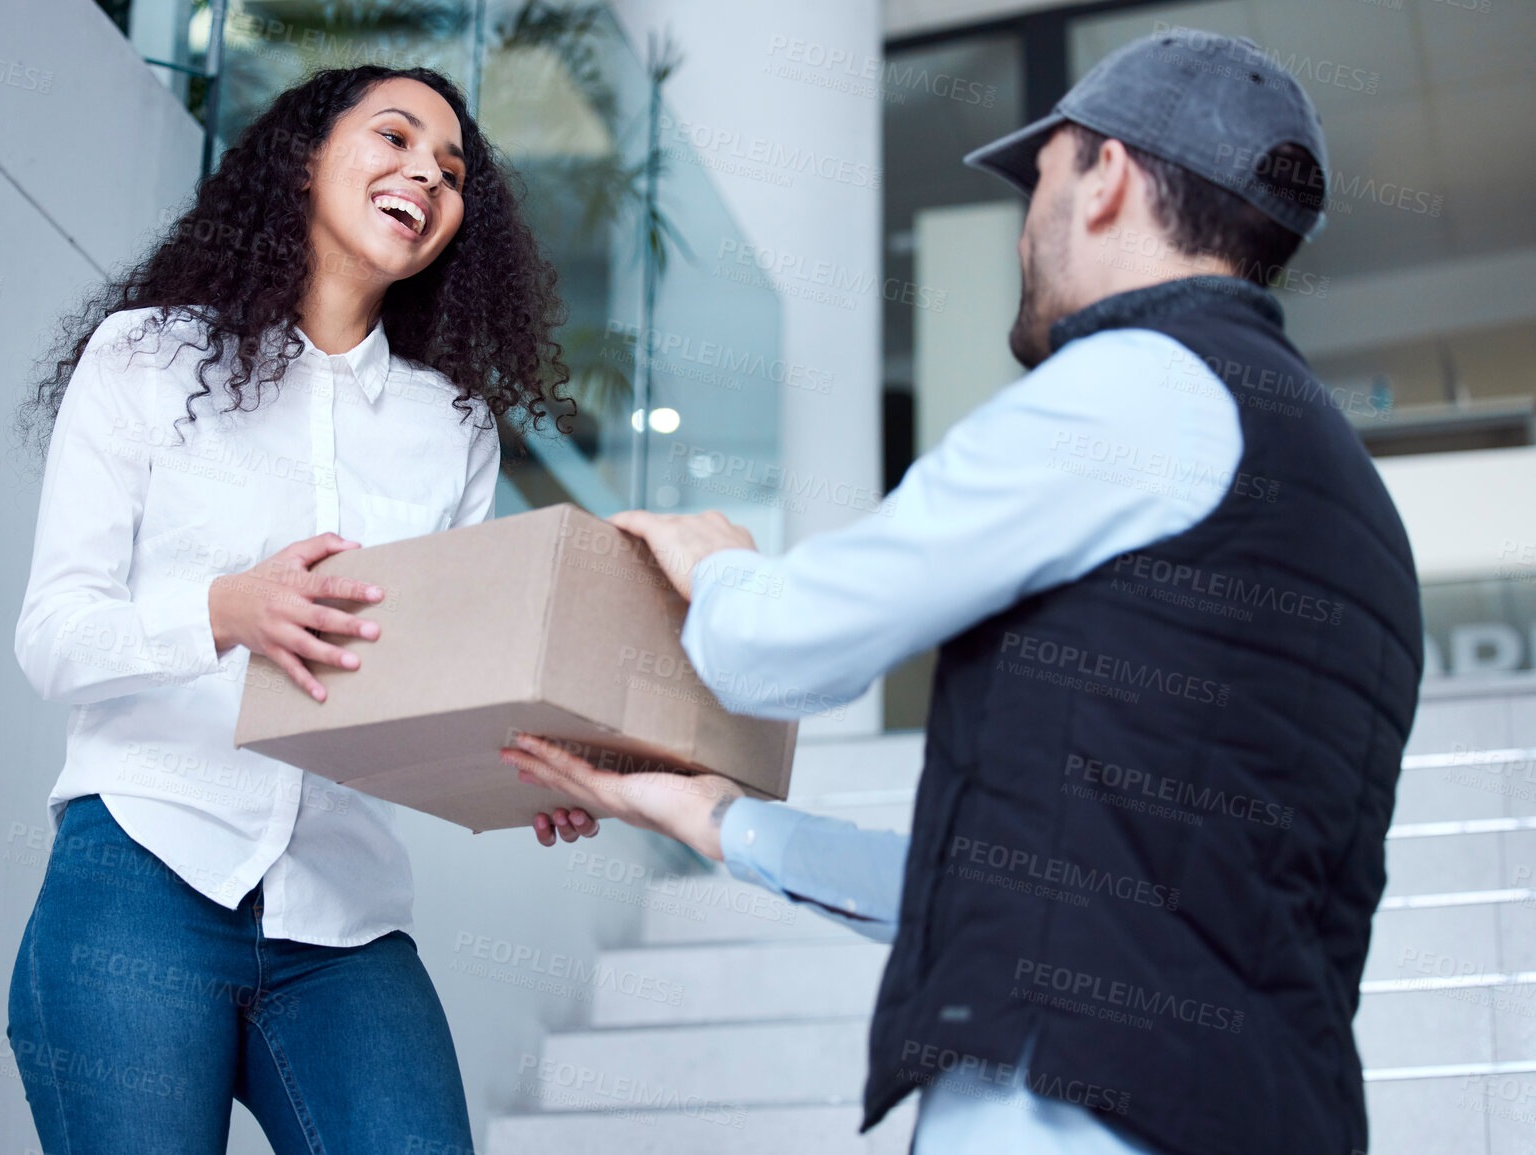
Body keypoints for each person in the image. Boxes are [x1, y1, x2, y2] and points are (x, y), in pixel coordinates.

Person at [503, 30, 1422, 1155]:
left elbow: (782, 649)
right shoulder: (1352, 506)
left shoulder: (1133, 391)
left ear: (1107, 178)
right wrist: (711, 818)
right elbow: (1064, 899)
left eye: (1038, 186)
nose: (1025, 234)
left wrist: (721, 564)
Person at [9, 65, 576, 1154]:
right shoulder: (146, 357)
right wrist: (225, 610)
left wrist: (518, 764)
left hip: (345, 912)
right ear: (305, 156)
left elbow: (424, 673)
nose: (426, 173)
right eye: (396, 137)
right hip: (144, 867)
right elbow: (52, 638)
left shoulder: (452, 426)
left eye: (453, 172)